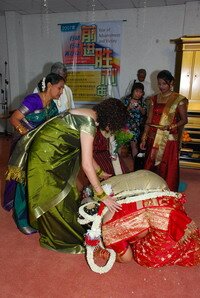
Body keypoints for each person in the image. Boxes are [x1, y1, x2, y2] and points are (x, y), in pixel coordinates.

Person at [5, 98, 128, 252]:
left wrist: (101, 173)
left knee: (68, 193)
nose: (111, 128)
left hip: (55, 152)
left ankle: (64, 227)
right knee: (52, 194)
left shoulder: (90, 115)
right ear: (111, 118)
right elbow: (86, 164)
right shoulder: (88, 123)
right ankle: (56, 235)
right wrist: (102, 195)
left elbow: (87, 155)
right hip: (46, 156)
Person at [79, 170, 200, 273]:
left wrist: (104, 252)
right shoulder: (104, 190)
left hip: (164, 216)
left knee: (145, 258)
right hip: (163, 191)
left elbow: (126, 258)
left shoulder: (109, 229)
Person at [3, 73, 65, 233]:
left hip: (39, 147)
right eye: (60, 88)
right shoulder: (33, 100)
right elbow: (14, 119)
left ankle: (36, 214)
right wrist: (27, 134)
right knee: (24, 181)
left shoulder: (52, 105)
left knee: (38, 179)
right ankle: (22, 218)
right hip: (23, 146)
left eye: (62, 88)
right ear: (50, 86)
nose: (61, 92)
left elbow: (55, 125)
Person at [140, 70, 188, 191]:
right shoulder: (153, 99)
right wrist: (144, 137)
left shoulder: (178, 99)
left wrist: (172, 126)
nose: (161, 86)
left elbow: (184, 120)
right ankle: (150, 190)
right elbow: (149, 119)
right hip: (153, 137)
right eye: (159, 83)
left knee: (167, 167)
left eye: (164, 84)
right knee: (150, 165)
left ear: (171, 82)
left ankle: (167, 191)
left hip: (169, 140)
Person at [121, 82, 147, 170]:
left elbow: (144, 113)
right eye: (136, 91)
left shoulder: (142, 102)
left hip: (136, 127)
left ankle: (136, 166)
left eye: (140, 92)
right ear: (133, 91)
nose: (138, 94)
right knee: (121, 145)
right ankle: (119, 165)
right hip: (125, 126)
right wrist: (129, 107)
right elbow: (121, 112)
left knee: (134, 146)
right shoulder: (125, 100)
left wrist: (140, 108)